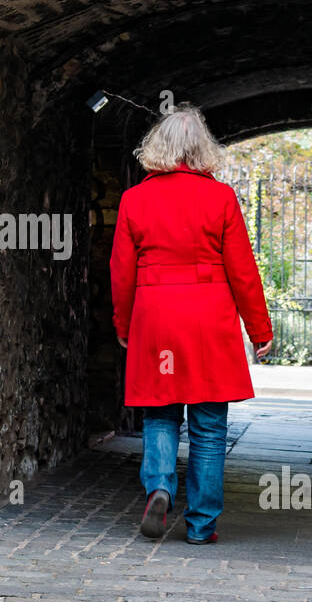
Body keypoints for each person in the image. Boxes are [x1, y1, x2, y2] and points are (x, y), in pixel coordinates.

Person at [110, 107, 273, 544]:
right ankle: (201, 525)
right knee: (208, 425)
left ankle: (160, 487)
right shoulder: (219, 198)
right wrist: (260, 330)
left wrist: (123, 323)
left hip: (157, 319)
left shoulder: (134, 200)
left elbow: (122, 271)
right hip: (208, 322)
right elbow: (242, 271)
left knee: (160, 414)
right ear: (203, 149)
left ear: (156, 149)